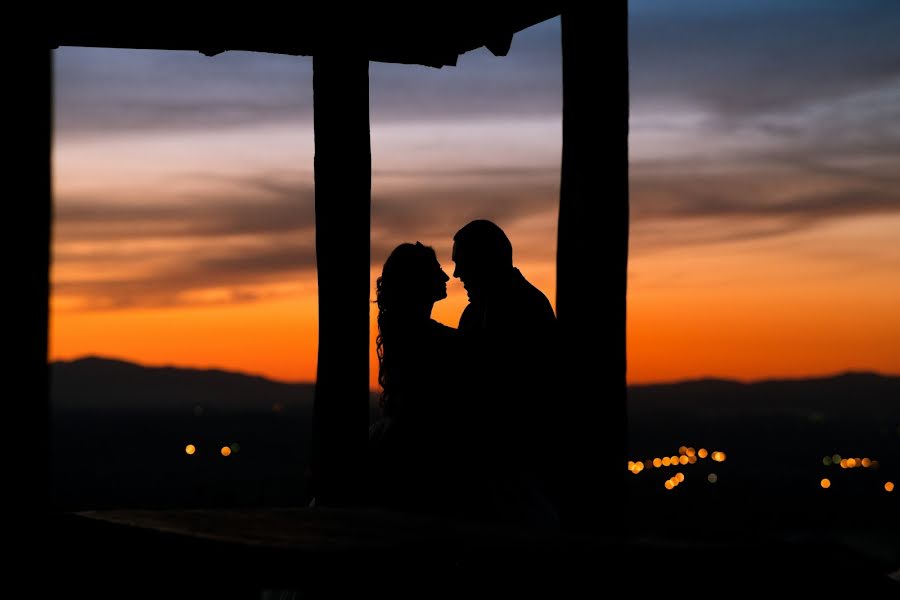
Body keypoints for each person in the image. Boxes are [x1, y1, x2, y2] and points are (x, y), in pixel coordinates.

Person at [451, 219, 560, 528]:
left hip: (519, 469)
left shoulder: (527, 307)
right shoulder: (475, 312)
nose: (457, 275)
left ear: (485, 260)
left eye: (462, 264)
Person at [368, 242, 461, 513]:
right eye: (437, 270)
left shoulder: (406, 333)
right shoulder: (432, 341)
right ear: (417, 280)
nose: (446, 277)